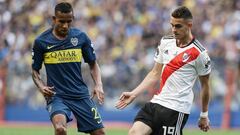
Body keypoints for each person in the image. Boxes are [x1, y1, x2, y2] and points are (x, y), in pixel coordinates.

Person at [116, 6, 211, 135]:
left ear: (189, 25)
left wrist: (204, 114)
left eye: (178, 26)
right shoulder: (166, 42)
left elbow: (205, 85)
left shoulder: (200, 53)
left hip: (176, 109)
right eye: (172, 25)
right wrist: (134, 93)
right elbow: (155, 73)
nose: (174, 30)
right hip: (157, 102)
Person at [32, 2, 105, 135]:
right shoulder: (41, 42)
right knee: (60, 129)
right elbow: (35, 71)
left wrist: (98, 84)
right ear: (54, 19)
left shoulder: (81, 37)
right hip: (57, 96)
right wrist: (41, 86)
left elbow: (93, 64)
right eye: (61, 21)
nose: (65, 26)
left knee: (99, 133)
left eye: (68, 21)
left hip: (80, 95)